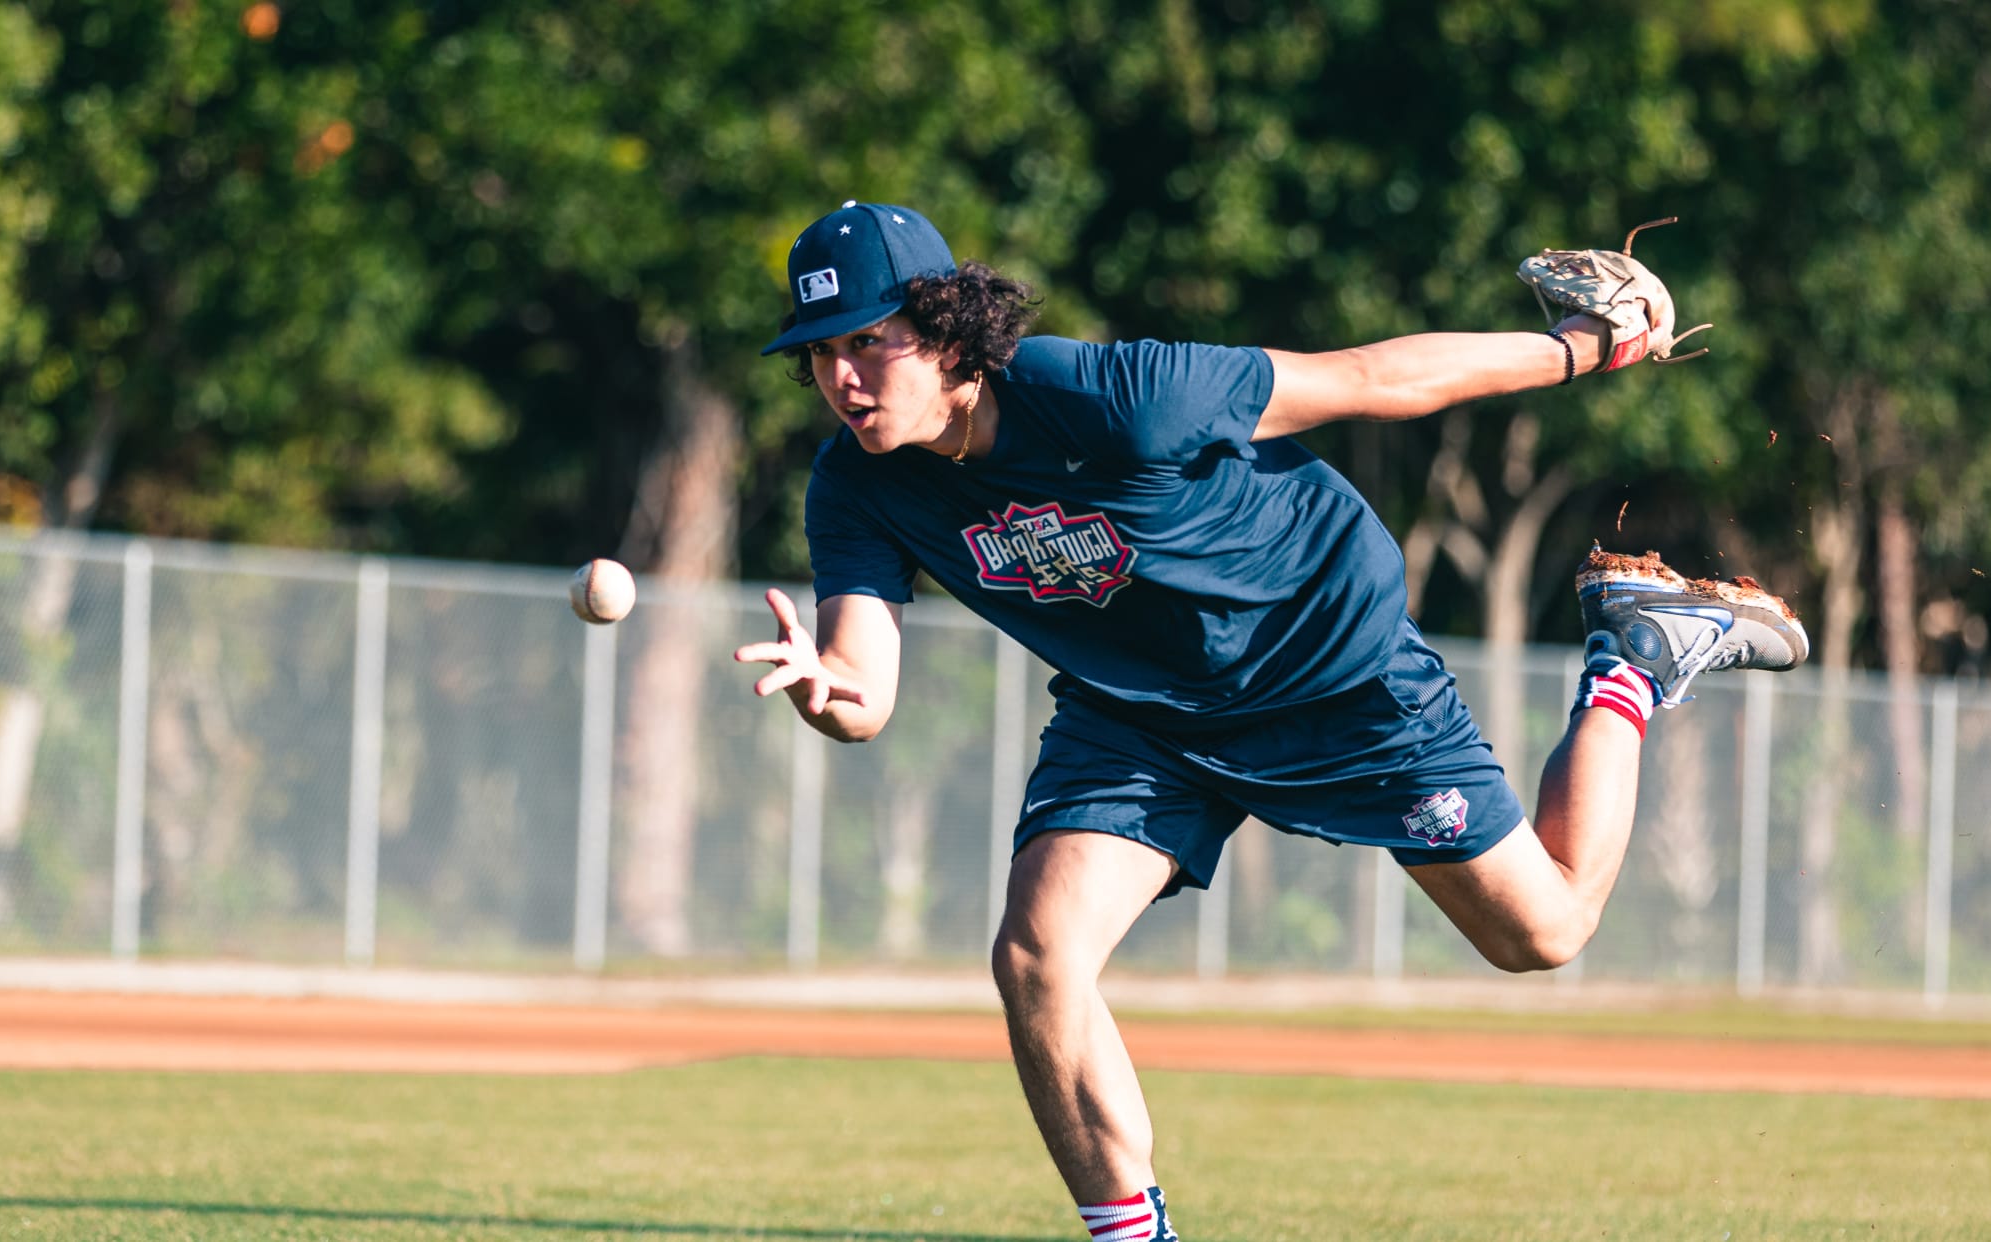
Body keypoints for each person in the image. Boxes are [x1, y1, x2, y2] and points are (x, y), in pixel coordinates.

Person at [733, 201, 1808, 1241]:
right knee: (1037, 955)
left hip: (1330, 668)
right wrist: (832, 696)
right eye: (822, 352)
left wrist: (1581, 349)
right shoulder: (857, 486)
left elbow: (1370, 380)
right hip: (1142, 717)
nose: (841, 379)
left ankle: (1632, 656)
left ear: (948, 331)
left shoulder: (1115, 395)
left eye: (870, 342)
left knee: (1545, 932)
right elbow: (864, 690)